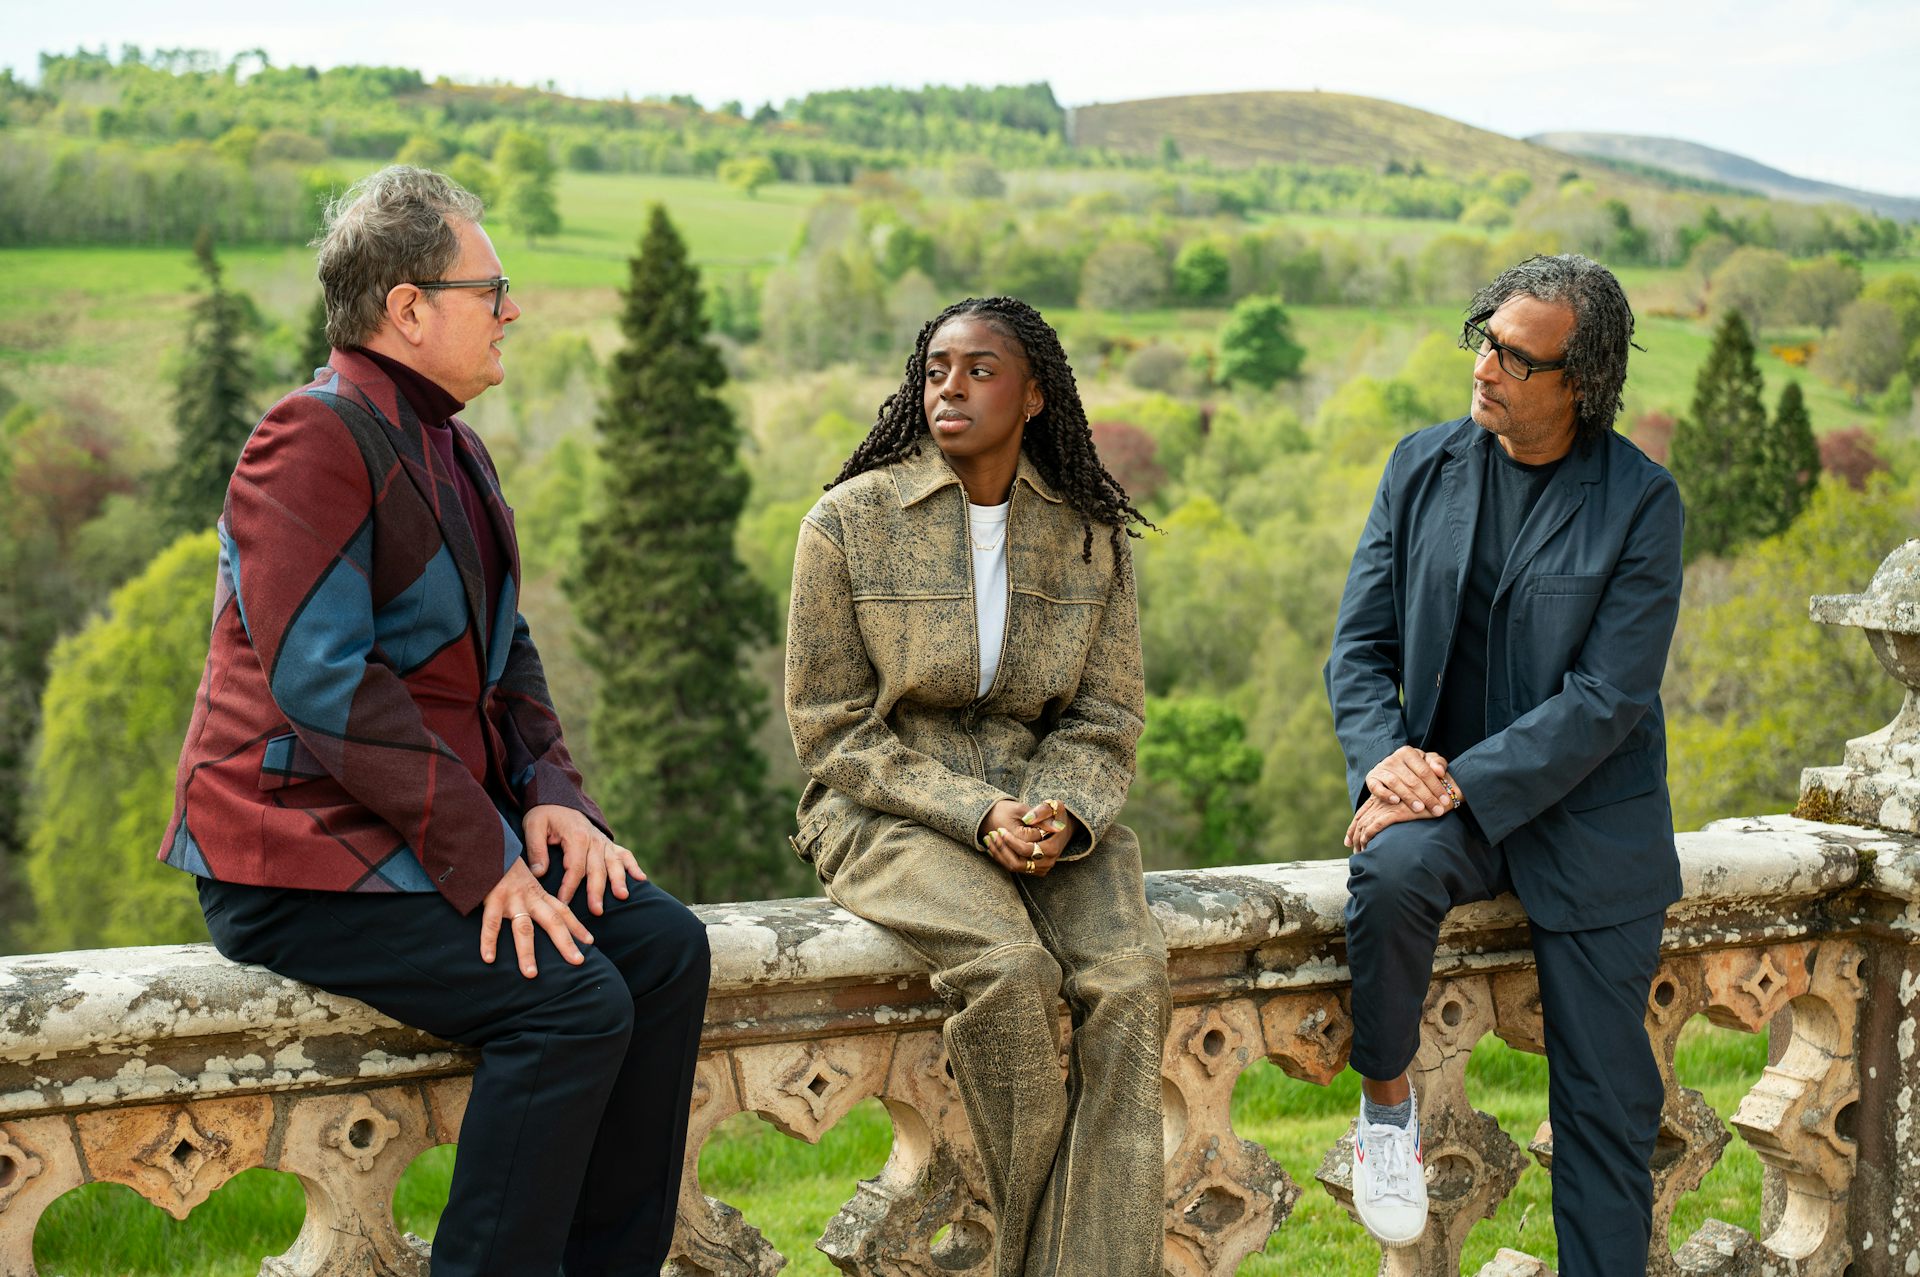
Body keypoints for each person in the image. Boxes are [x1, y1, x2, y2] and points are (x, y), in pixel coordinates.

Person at [158, 165, 710, 1277]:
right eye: (491, 286)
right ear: (409, 307)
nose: (514, 308)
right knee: (569, 1004)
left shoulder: (453, 444)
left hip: (416, 833)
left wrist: (554, 802)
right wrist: (485, 858)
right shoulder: (307, 438)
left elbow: (507, 651)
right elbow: (328, 684)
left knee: (662, 948)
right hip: (296, 856)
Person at [784, 296, 1169, 1277]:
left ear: (1035, 394)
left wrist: (1060, 810)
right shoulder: (849, 523)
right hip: (883, 807)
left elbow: (1107, 717)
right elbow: (829, 724)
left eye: (980, 368)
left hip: (1047, 806)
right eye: (937, 368)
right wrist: (973, 811)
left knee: (1127, 983)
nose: (950, 386)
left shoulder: (1090, 535)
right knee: (1010, 971)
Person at [1325, 253, 1683, 1274]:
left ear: (1582, 383)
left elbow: (1609, 698)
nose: (1485, 365)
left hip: (1591, 825)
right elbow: (1358, 648)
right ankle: (1384, 1110)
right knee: (1390, 871)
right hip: (1451, 810)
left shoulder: (1641, 503)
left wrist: (1452, 780)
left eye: (1516, 356)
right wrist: (1384, 760)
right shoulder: (1420, 464)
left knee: (1608, 1113)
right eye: (1483, 337)